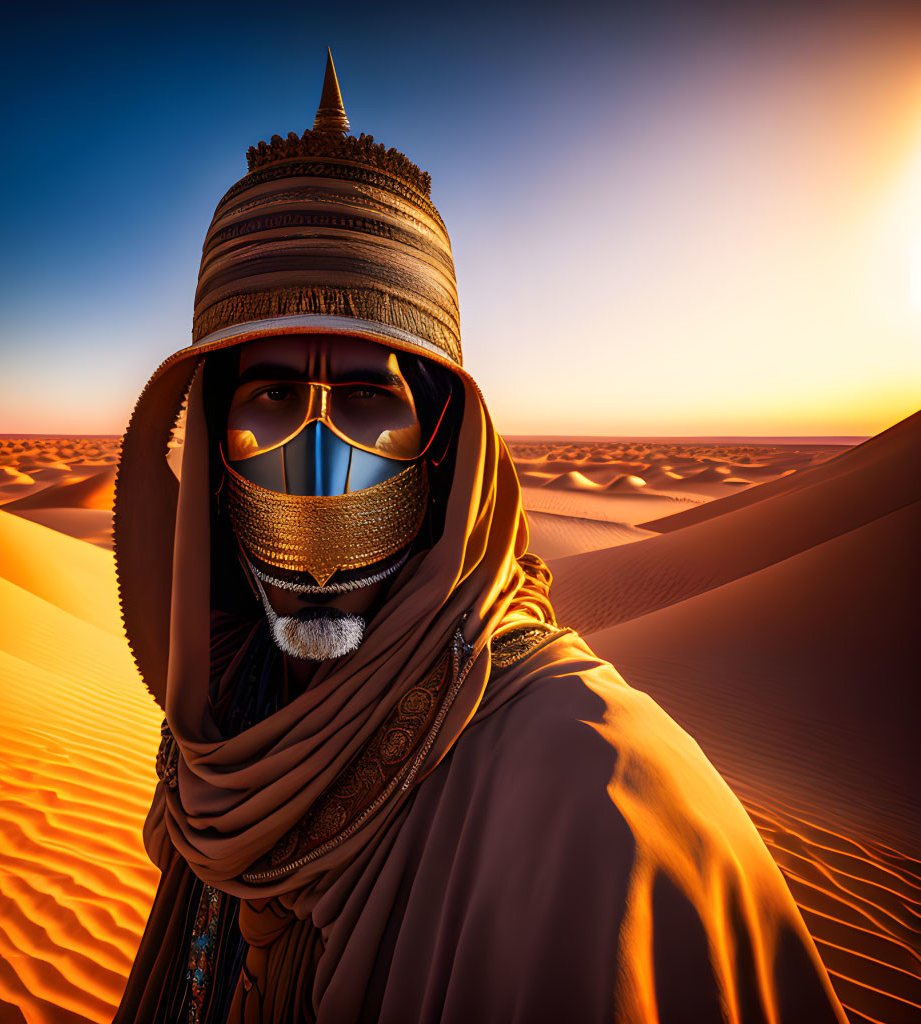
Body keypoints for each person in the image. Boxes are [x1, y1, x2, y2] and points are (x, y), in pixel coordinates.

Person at [113, 52, 847, 1024]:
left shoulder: (590, 804)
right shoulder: (221, 745)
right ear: (210, 447)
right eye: (274, 396)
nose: (319, 463)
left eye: (371, 401)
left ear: (444, 445)